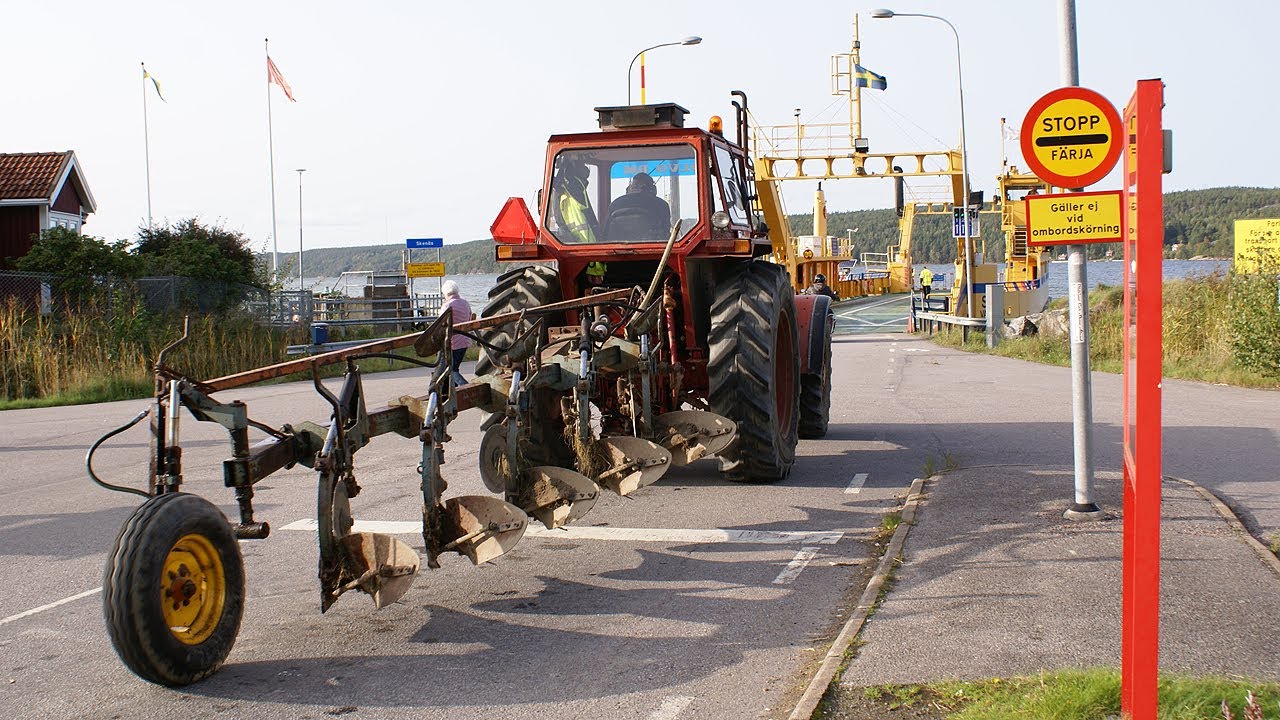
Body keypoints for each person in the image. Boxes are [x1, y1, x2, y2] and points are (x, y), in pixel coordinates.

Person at [604, 172, 672, 241]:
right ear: (653, 189)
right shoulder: (661, 205)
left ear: (628, 189)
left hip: (616, 250)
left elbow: (605, 234)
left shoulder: (615, 204)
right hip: (654, 250)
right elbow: (665, 233)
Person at [553, 158, 599, 243]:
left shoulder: (576, 187)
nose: (585, 168)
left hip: (584, 244)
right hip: (581, 243)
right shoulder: (568, 191)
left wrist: (565, 159)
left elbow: (565, 178)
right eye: (582, 165)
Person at [440, 280, 472, 386]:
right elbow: (470, 318)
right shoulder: (465, 303)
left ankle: (465, 387)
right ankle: (455, 391)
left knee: (451, 371)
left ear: (446, 293)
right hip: (465, 340)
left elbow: (440, 325)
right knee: (454, 367)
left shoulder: (447, 306)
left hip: (453, 343)